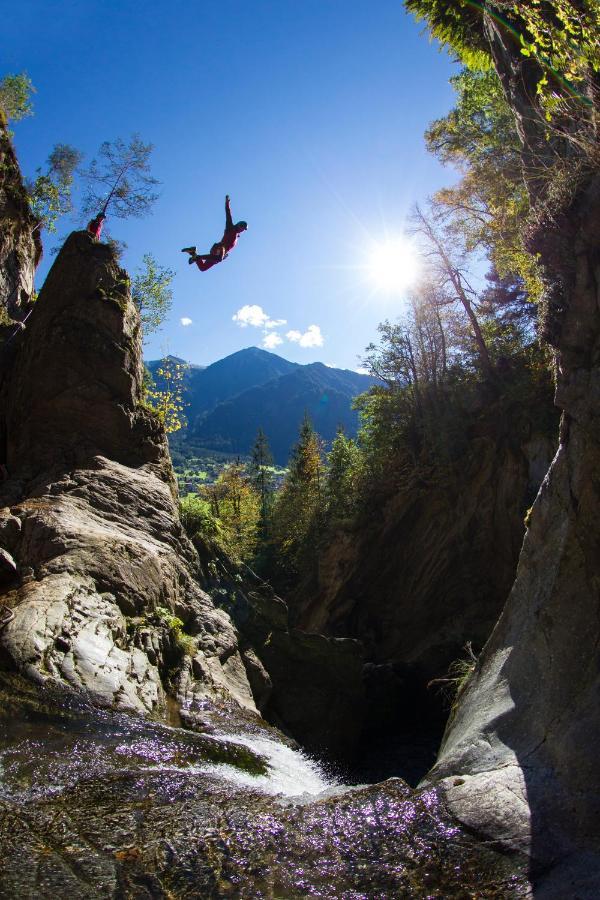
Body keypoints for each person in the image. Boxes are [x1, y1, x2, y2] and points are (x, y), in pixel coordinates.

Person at [182, 195, 247, 272]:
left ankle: (193, 252)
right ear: (239, 225)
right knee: (219, 258)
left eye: (243, 230)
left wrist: (225, 255)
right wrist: (227, 203)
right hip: (219, 247)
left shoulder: (237, 236)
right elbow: (228, 214)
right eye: (242, 228)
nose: (242, 231)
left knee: (203, 268)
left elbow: (229, 247)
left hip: (219, 253)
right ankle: (197, 257)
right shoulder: (230, 227)